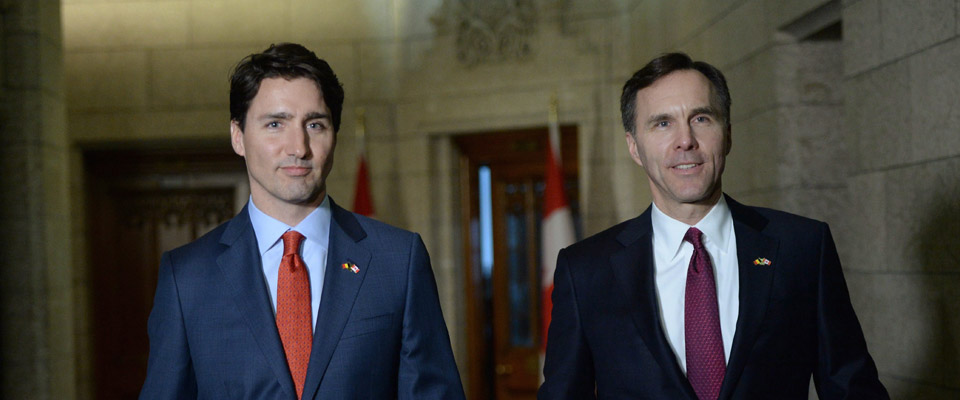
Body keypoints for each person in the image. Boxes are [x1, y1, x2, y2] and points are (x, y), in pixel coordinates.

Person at [538, 53, 888, 399]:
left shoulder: (803, 247)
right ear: (634, 146)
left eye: (701, 118)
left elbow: (850, 387)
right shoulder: (585, 271)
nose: (685, 140)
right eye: (662, 123)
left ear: (728, 134)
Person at [140, 43, 465, 400]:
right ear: (238, 136)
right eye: (275, 124)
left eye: (314, 124)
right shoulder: (187, 277)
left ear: (334, 135)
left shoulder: (397, 260)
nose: (298, 147)